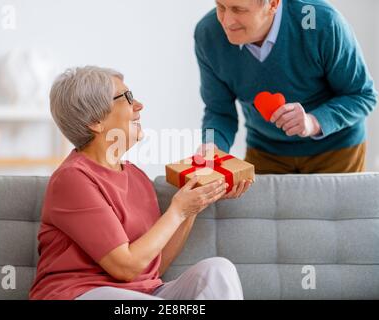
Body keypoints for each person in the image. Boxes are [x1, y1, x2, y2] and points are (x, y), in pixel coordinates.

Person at [29, 66, 249, 300]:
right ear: (96, 121)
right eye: (127, 98)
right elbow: (125, 267)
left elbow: (152, 266)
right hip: (82, 293)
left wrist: (192, 206)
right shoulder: (73, 179)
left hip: (145, 294)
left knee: (218, 270)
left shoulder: (137, 176)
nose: (139, 105)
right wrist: (177, 210)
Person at [196, 0, 377, 174]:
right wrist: (213, 146)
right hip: (265, 151)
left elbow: (362, 95)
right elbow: (218, 111)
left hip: (336, 150)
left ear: (273, 4)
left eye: (238, 9)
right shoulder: (207, 33)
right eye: (220, 6)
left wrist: (312, 121)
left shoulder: (323, 22)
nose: (226, 21)